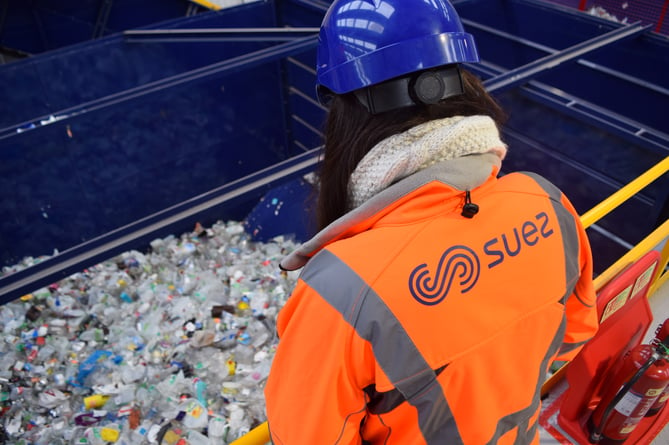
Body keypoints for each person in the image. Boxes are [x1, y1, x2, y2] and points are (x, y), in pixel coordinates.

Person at [264, 0, 599, 443]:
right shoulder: (547, 202)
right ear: (463, 81)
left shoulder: (341, 291)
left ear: (343, 113)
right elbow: (573, 335)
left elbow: (307, 436)